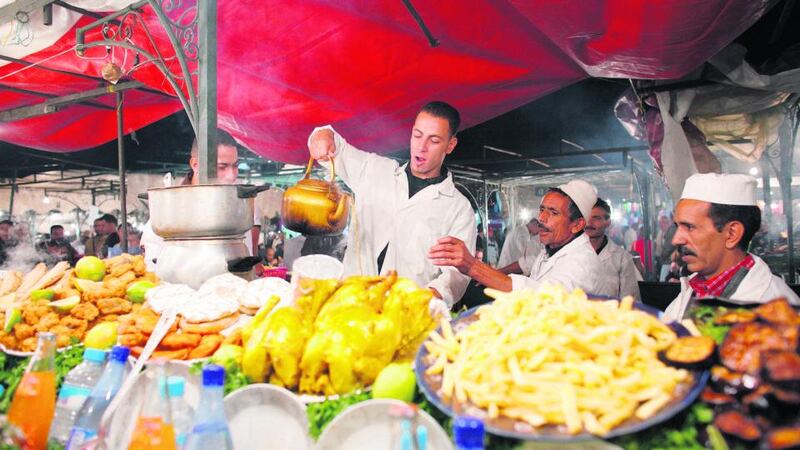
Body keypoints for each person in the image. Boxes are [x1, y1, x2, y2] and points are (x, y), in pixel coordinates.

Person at [308, 101, 476, 307]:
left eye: (433, 140)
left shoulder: (458, 208)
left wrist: (431, 294)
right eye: (417, 135)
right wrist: (322, 136)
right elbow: (335, 147)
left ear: (450, 145)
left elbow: (457, 273)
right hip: (351, 304)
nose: (421, 147)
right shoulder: (376, 171)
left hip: (406, 312)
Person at [429, 180, 611, 296]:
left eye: (553, 212)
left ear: (577, 224)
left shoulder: (582, 262)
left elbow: (543, 298)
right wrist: (490, 273)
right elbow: (526, 264)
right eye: (542, 210)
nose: (541, 218)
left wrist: (472, 266)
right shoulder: (551, 249)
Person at [664, 173, 800, 321]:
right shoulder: (691, 289)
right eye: (678, 226)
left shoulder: (777, 313)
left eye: (690, 227)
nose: (676, 240)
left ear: (732, 234)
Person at [140, 129, 262, 270]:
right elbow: (151, 271)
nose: (231, 175)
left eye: (235, 166)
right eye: (222, 167)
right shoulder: (168, 215)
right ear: (195, 165)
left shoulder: (237, 213)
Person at [586, 199, 641, 300]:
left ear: (608, 222)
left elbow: (629, 300)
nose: (589, 223)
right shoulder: (570, 254)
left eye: (596, 218)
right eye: (586, 217)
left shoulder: (622, 258)